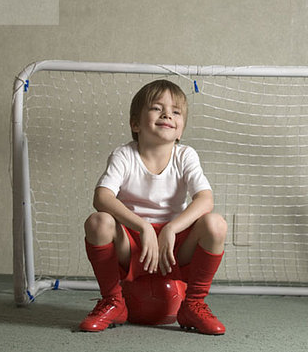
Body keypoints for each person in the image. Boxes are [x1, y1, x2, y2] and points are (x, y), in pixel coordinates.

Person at [79, 79, 227, 335]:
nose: (167, 114)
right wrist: (143, 226)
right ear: (135, 124)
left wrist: (171, 229)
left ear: (180, 130)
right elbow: (102, 197)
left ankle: (193, 304)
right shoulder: (124, 155)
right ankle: (114, 301)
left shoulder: (185, 155)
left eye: (176, 111)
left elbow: (205, 200)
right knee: (98, 222)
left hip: (174, 246)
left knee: (216, 224)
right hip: (134, 244)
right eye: (157, 108)